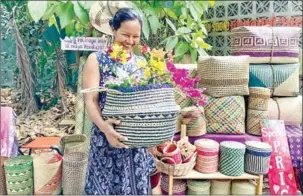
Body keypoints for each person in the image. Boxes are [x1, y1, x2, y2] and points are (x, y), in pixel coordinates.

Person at [83, 7, 156, 195]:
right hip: (105, 137)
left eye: (136, 36)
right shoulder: (96, 60)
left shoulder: (142, 63)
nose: (130, 41)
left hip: (136, 140)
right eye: (125, 34)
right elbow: (91, 100)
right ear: (113, 30)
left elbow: (147, 101)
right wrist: (105, 128)